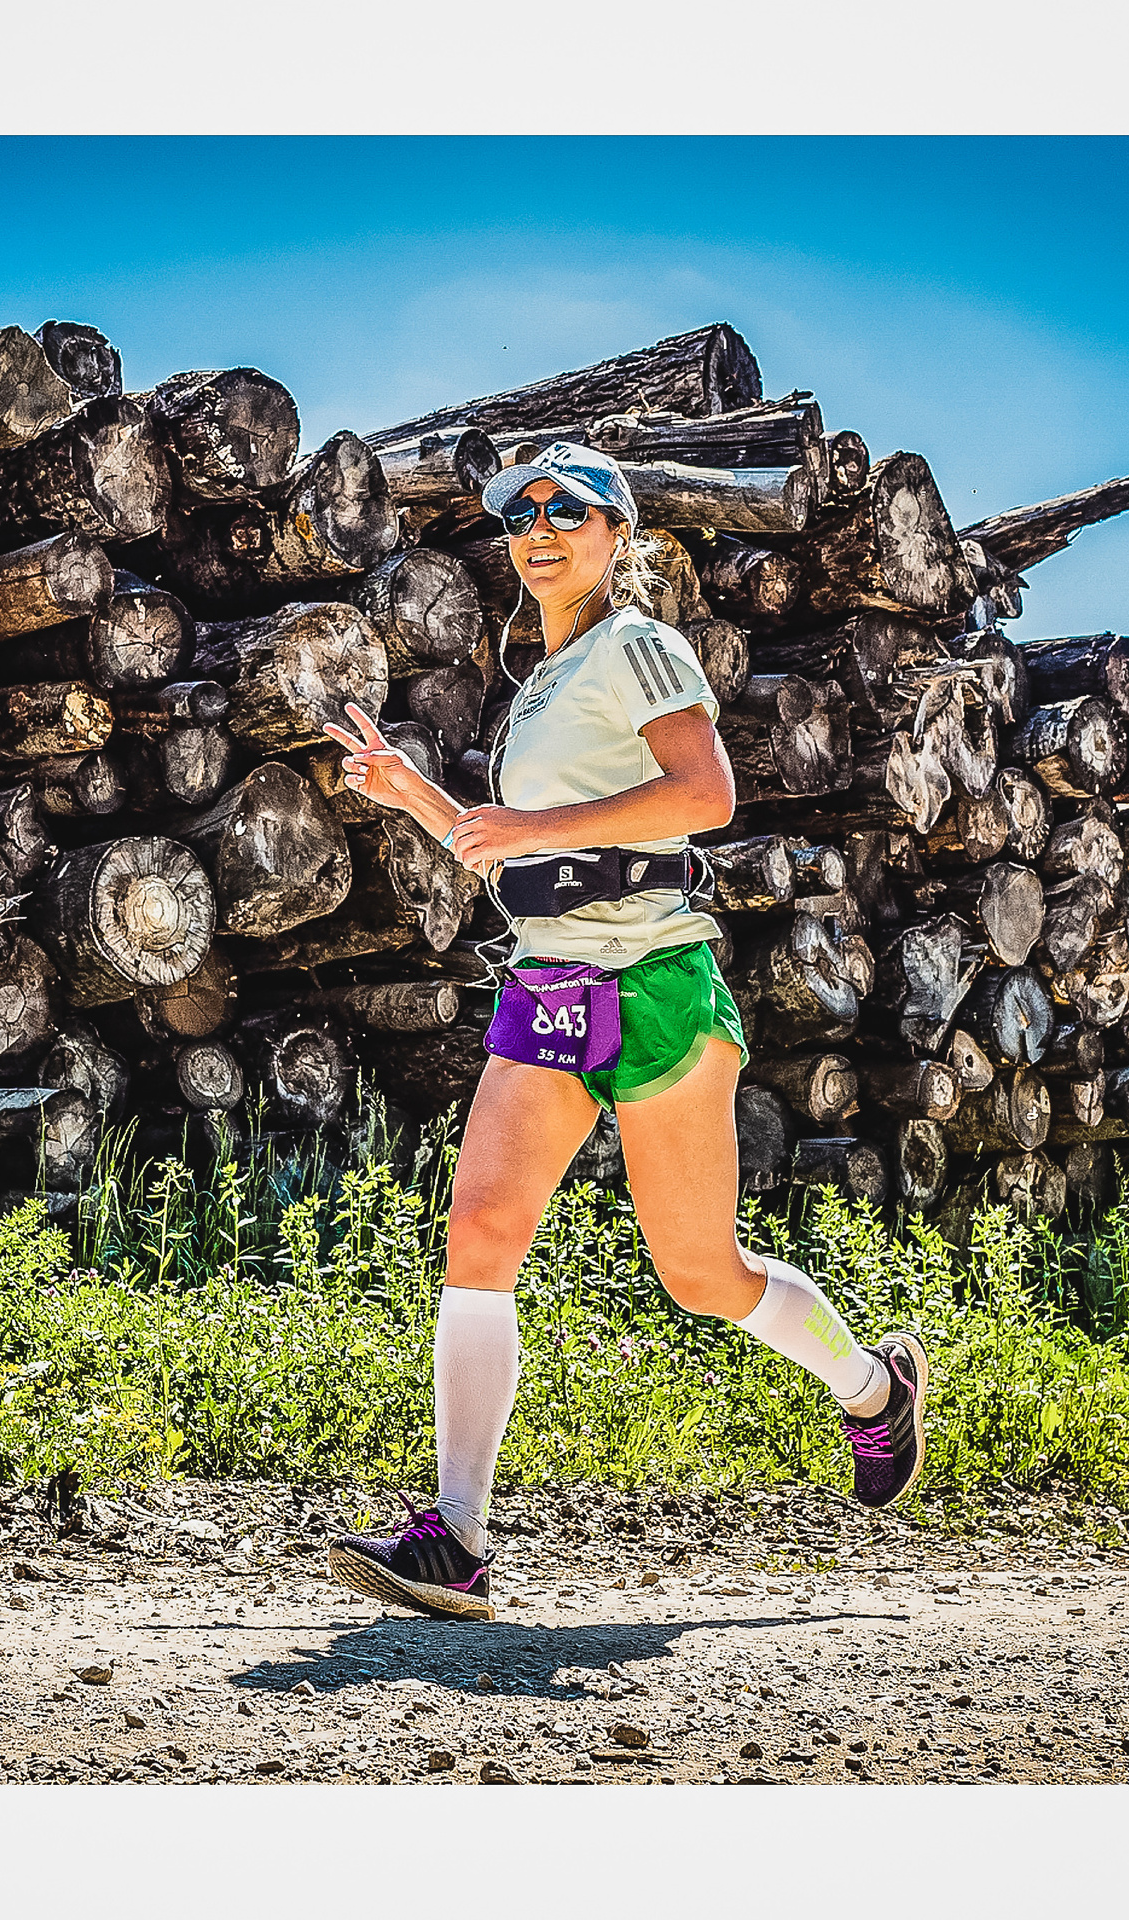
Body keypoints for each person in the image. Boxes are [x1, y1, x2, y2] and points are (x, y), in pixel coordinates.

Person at [318, 442, 929, 1623]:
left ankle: (871, 1388)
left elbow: (705, 797)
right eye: (522, 515)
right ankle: (456, 1538)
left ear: (618, 535)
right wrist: (415, 797)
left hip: (653, 979)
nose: (539, 530)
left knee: (699, 1275)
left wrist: (527, 825)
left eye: (569, 510)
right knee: (480, 1233)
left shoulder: (638, 643)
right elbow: (516, 853)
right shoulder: (543, 682)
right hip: (549, 981)